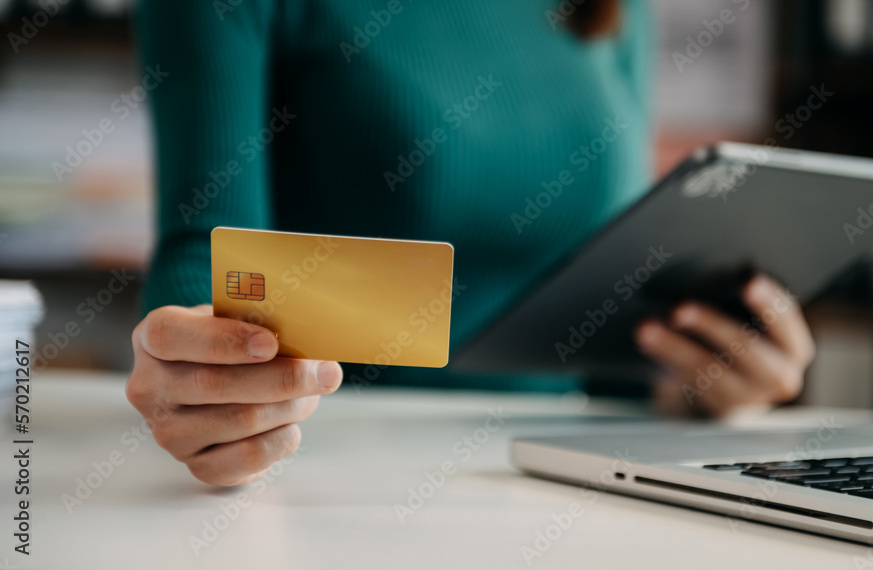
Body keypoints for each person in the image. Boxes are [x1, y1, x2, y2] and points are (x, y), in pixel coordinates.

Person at [126, 0, 815, 486]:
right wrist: (199, 372)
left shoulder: (608, 6)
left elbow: (609, 290)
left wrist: (692, 378)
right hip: (329, 474)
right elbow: (204, 252)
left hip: (562, 476)